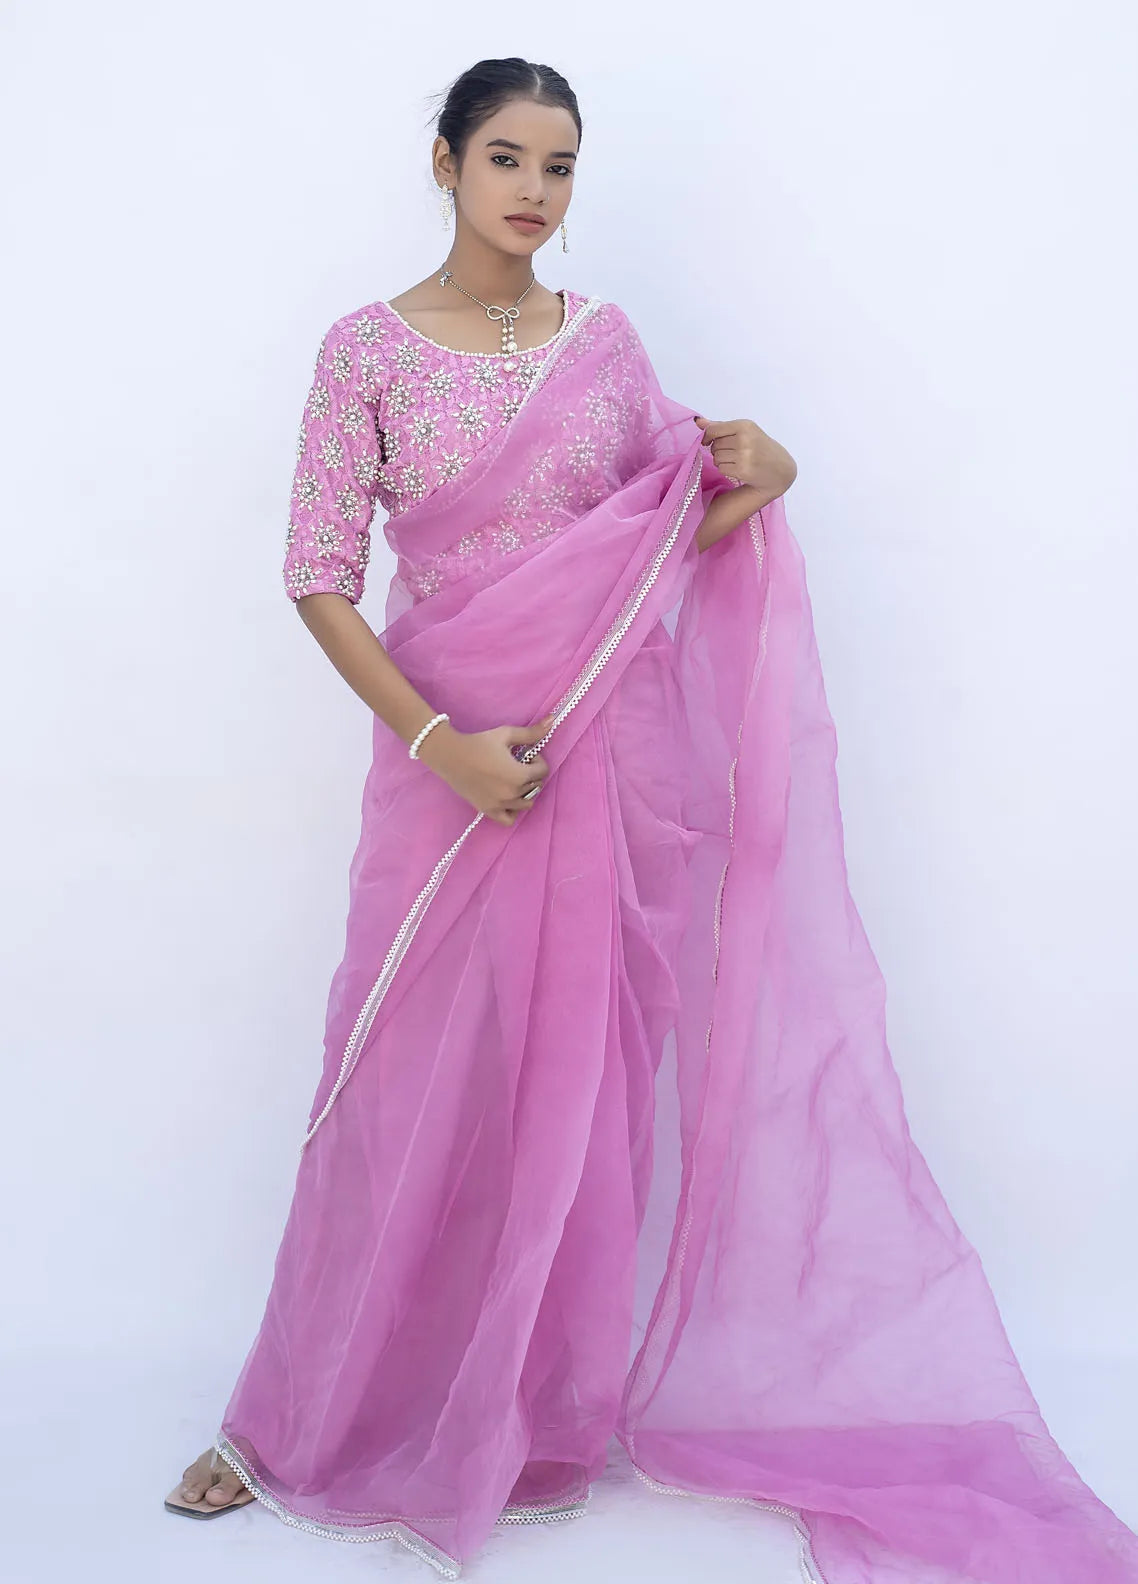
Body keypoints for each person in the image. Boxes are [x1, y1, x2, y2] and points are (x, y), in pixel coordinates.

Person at [164, 56, 1138, 1584]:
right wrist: (438, 744)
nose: (533, 191)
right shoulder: (365, 351)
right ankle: (289, 1422)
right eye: (504, 157)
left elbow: (660, 536)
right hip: (448, 768)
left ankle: (526, 1419)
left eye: (558, 165)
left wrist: (769, 475)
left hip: (603, 760)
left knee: (582, 1085)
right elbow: (317, 575)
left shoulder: (602, 346)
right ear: (443, 163)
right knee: (395, 1088)